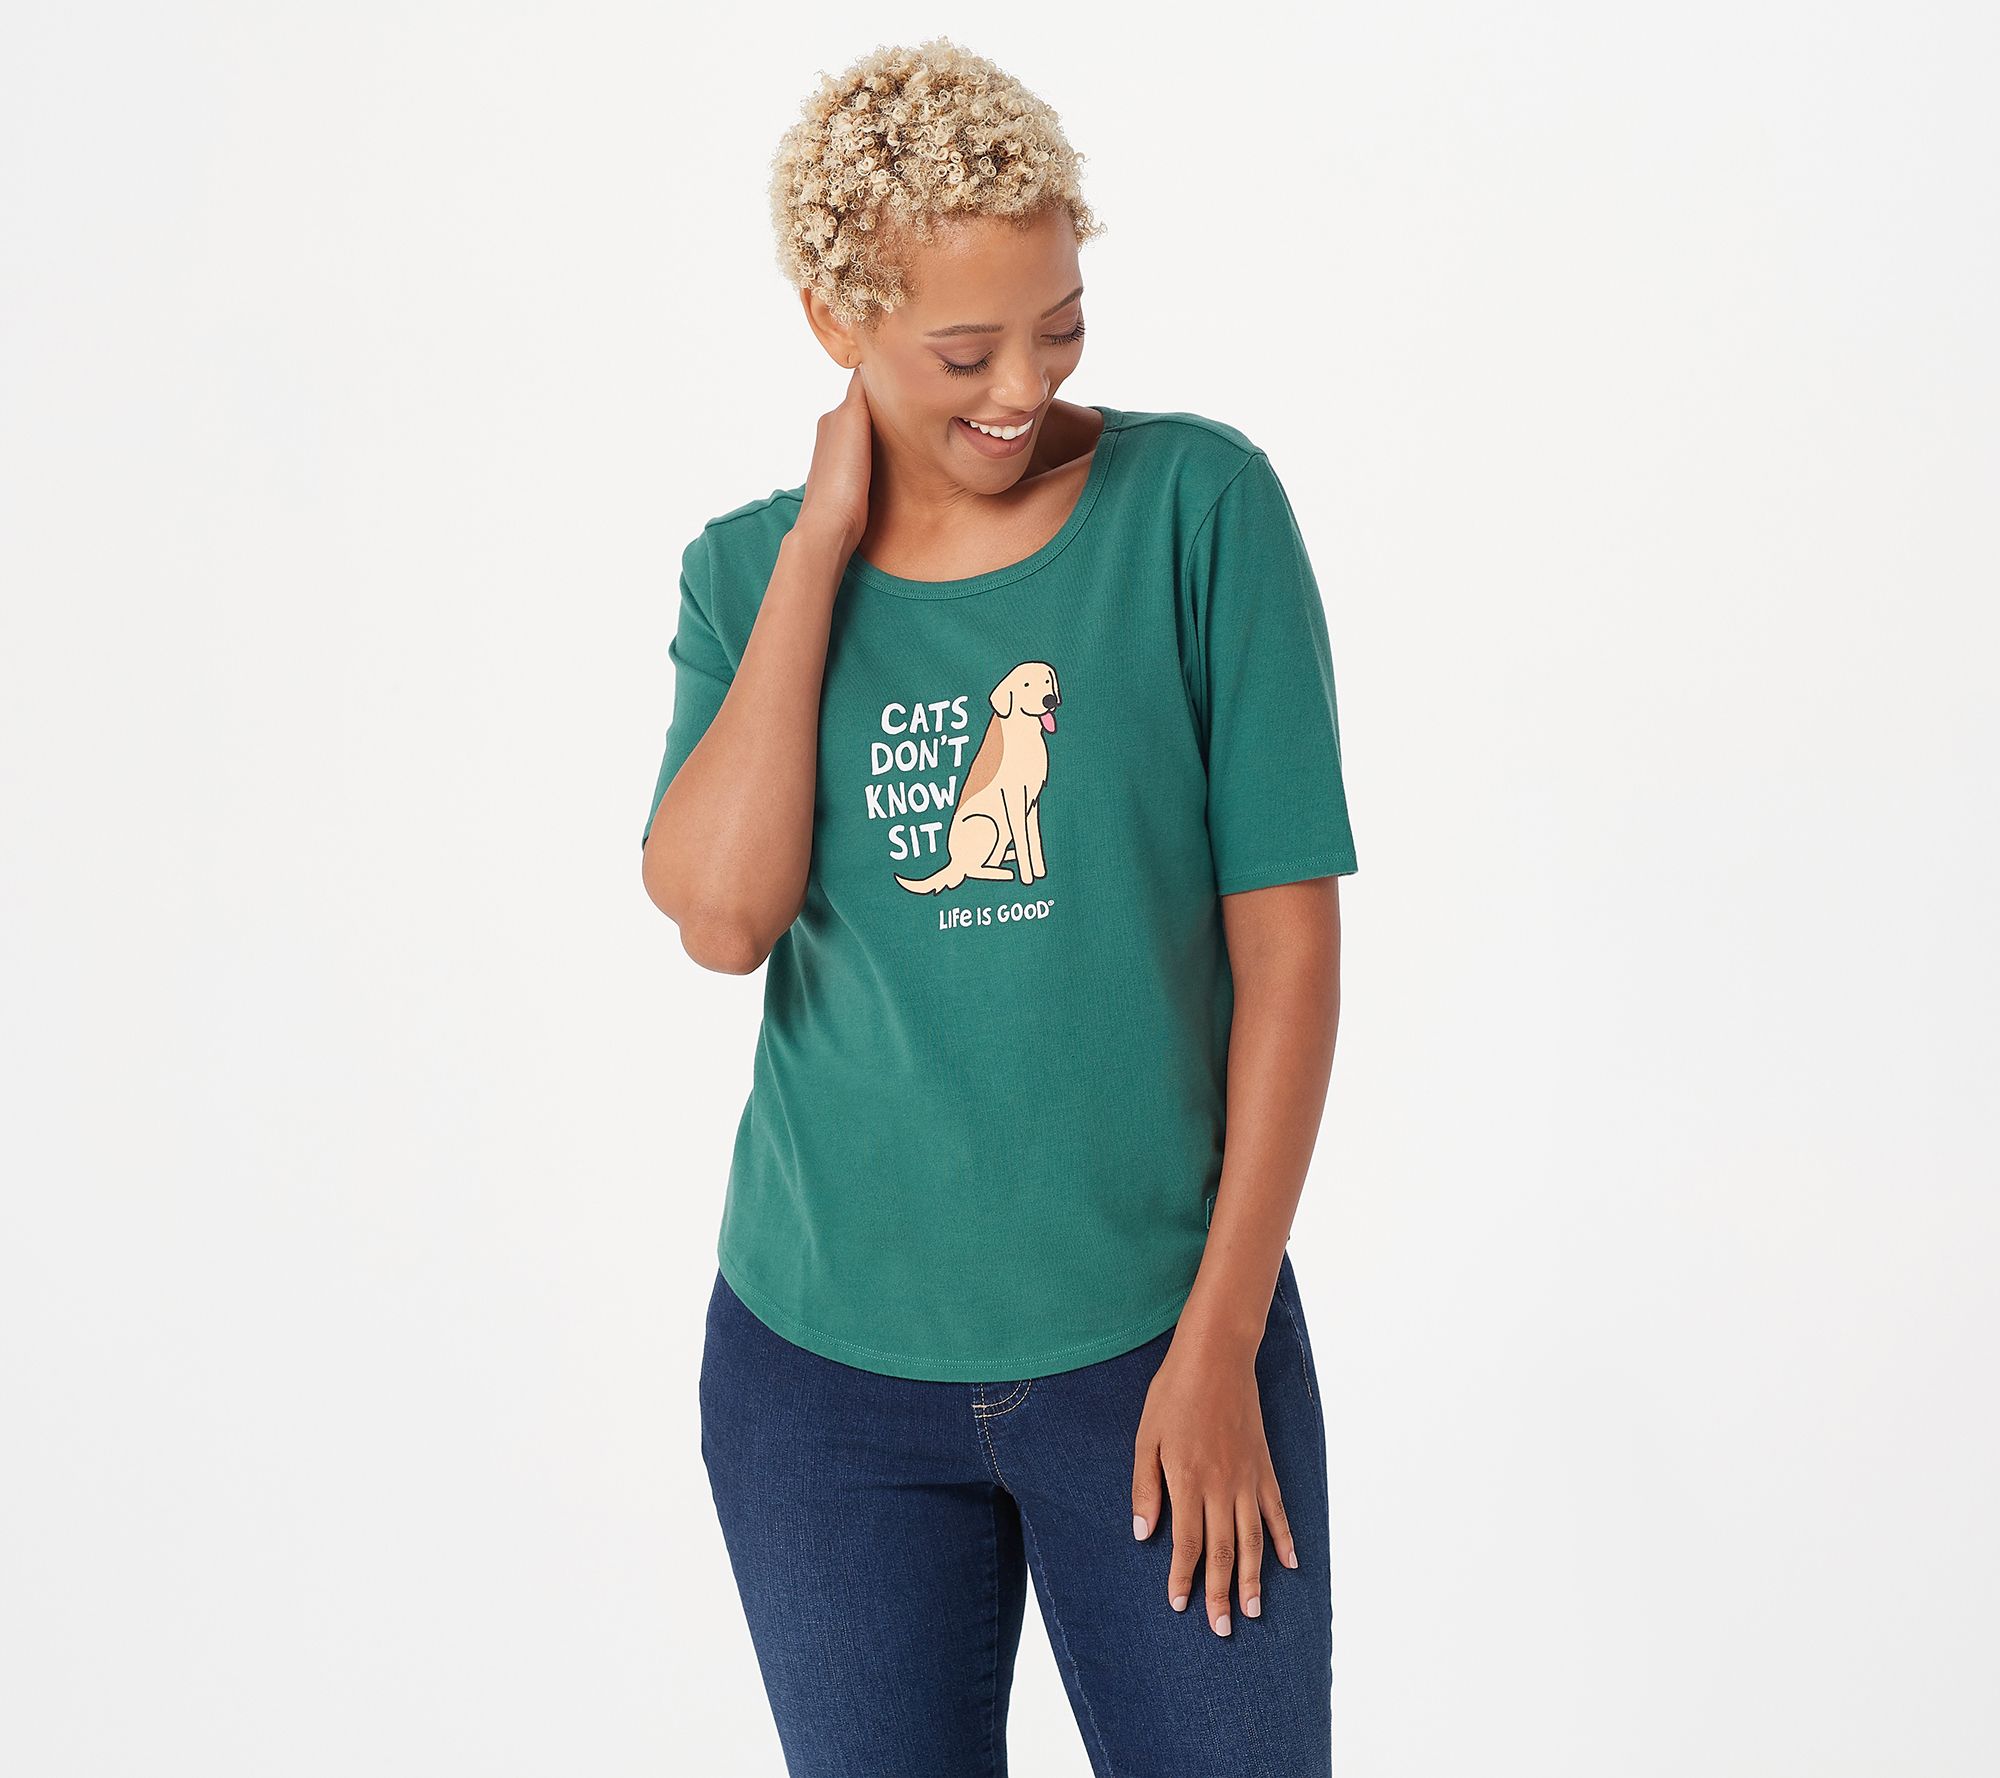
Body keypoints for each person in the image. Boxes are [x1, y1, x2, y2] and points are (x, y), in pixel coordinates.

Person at [640, 37, 1358, 1778]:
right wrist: (822, 545)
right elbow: (723, 915)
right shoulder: (743, 575)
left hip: (1163, 1346)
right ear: (837, 319)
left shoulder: (1198, 513)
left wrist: (1220, 1346)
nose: (1022, 384)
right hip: (822, 1386)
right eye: (966, 353)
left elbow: (1289, 956)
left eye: (1061, 325)